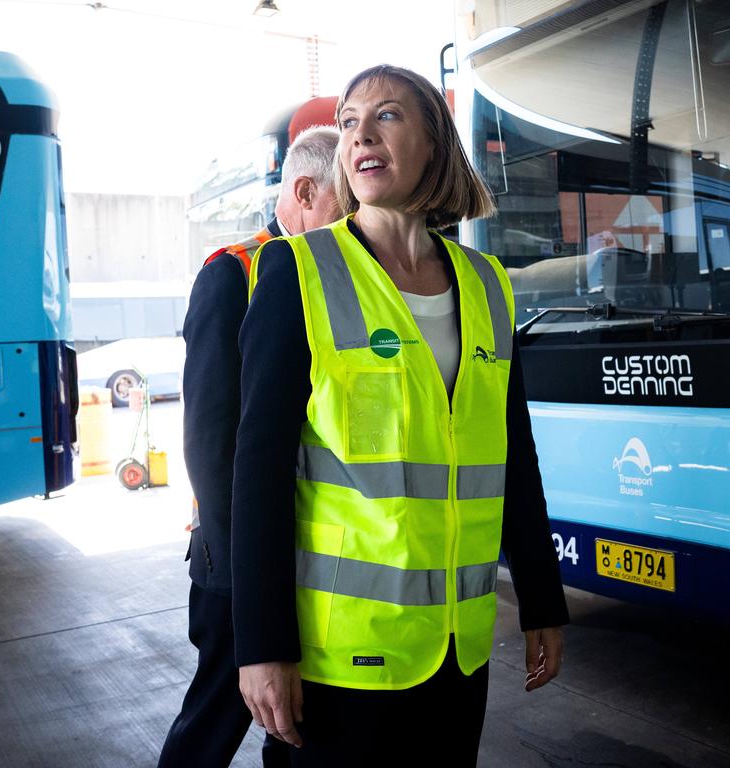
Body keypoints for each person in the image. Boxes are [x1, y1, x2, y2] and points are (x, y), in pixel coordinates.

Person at [231, 65, 568, 767]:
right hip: (342, 658)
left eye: (386, 116)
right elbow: (257, 474)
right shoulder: (299, 271)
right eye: (350, 122)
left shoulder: (486, 284)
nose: (361, 136)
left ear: (434, 143)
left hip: (457, 649)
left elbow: (514, 456)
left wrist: (541, 599)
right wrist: (261, 647)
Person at [157, 125, 340, 768]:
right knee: (216, 718)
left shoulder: (335, 277)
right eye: (346, 204)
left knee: (291, 726)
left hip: (305, 556)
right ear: (307, 191)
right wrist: (245, 578)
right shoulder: (234, 272)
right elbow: (210, 442)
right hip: (238, 564)